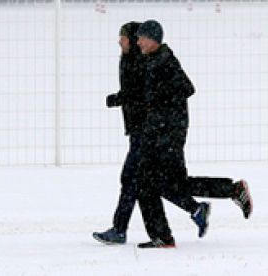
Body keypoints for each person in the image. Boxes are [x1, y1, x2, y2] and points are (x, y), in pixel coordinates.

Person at [91, 22, 254, 247]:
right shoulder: (149, 60)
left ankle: (161, 231)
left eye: (136, 38)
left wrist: (158, 109)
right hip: (155, 131)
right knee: (158, 183)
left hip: (166, 134)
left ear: (150, 39)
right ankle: (166, 230)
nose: (134, 42)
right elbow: (141, 93)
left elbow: (186, 88)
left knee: (154, 182)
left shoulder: (163, 60)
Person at [90, 22, 146, 245]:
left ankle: (120, 229)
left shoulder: (139, 62)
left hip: (145, 130)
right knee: (141, 181)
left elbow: (138, 93)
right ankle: (195, 209)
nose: (119, 42)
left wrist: (118, 99)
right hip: (137, 129)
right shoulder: (128, 59)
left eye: (123, 38)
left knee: (133, 179)